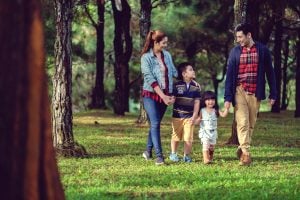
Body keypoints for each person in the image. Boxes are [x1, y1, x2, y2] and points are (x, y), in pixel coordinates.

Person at [224, 23, 277, 166]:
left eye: (240, 37)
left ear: (249, 35)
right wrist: (227, 98)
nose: (238, 40)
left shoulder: (263, 50)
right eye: (237, 37)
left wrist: (273, 93)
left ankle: (242, 147)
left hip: (255, 92)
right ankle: (246, 154)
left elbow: (270, 73)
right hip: (239, 90)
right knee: (242, 122)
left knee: (251, 124)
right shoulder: (235, 52)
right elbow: (229, 76)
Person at [141, 30, 178, 165]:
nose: (165, 45)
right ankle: (159, 156)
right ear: (155, 42)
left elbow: (173, 72)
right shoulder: (146, 58)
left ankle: (147, 151)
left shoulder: (167, 55)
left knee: (154, 124)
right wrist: (163, 96)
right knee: (155, 123)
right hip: (151, 94)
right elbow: (150, 79)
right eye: (163, 43)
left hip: (165, 95)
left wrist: (186, 73)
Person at [169, 62, 201, 163]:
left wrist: (195, 116)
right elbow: (173, 98)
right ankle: (173, 154)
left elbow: (197, 102)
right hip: (177, 116)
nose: (193, 71)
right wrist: (171, 100)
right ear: (184, 74)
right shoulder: (176, 85)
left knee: (188, 137)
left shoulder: (196, 86)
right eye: (190, 70)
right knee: (176, 136)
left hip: (190, 117)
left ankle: (186, 155)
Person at [196, 91, 228, 164]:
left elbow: (223, 115)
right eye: (208, 100)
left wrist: (226, 108)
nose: (210, 102)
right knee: (205, 145)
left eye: (212, 100)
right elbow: (199, 119)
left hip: (213, 132)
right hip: (204, 132)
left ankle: (210, 157)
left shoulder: (216, 110)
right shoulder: (202, 110)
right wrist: (194, 121)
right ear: (204, 101)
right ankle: (206, 160)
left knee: (211, 147)